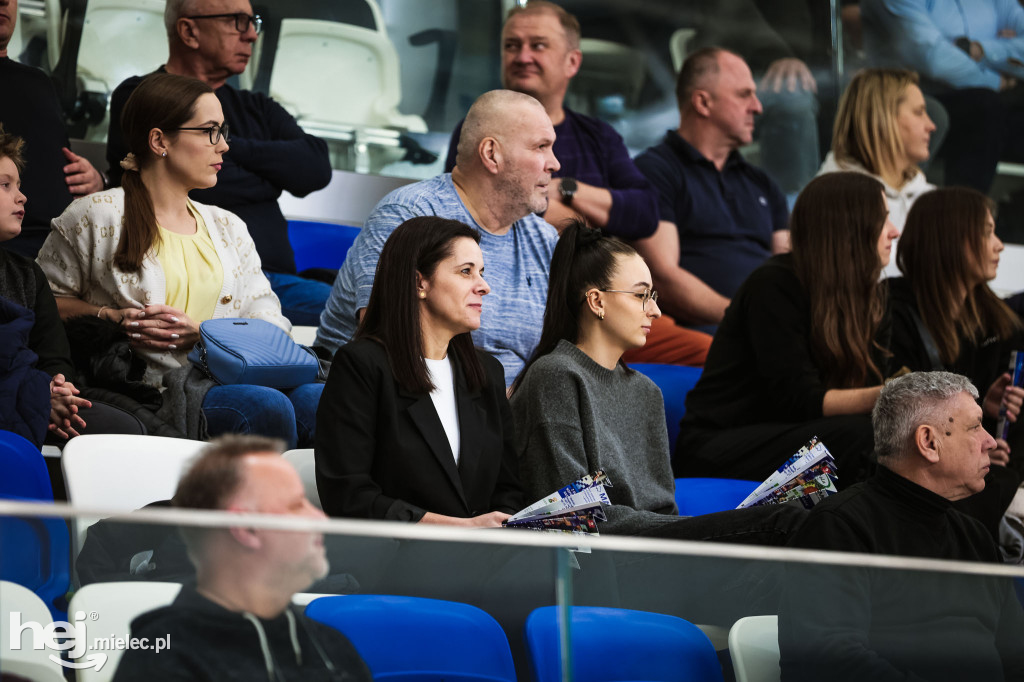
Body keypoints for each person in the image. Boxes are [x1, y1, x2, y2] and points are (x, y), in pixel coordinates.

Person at [37, 72, 322, 450]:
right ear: (159, 141)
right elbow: (39, 305)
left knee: (321, 402)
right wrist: (109, 317)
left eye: (224, 132)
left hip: (230, 378)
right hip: (150, 390)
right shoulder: (95, 215)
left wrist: (203, 335)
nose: (223, 147)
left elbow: (272, 322)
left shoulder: (228, 226)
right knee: (265, 407)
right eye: (209, 132)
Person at [443, 1, 710, 367]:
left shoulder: (599, 136)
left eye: (538, 45)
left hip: (609, 304)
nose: (522, 56)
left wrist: (568, 189)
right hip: (527, 305)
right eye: (511, 46)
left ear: (572, 62)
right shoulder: (480, 131)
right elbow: (467, 217)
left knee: (712, 354)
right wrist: (583, 219)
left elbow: (645, 212)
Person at [510, 220, 804, 542]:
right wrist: (708, 529)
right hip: (604, 563)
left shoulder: (646, 391)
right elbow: (573, 517)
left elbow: (664, 511)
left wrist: (698, 530)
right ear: (596, 302)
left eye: (653, 296)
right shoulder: (555, 377)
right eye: (641, 296)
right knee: (783, 522)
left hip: (661, 553)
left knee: (801, 518)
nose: (656, 311)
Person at [779, 371, 1024, 681]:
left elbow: (1016, 657)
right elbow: (831, 662)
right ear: (928, 442)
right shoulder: (840, 528)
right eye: (975, 427)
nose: (990, 441)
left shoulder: (974, 535)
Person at [105, 0, 333, 325]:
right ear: (189, 31)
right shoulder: (141, 95)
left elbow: (315, 169)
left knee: (376, 305)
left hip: (274, 281)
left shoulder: (258, 107)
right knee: (359, 314)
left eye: (252, 22)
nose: (252, 35)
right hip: (192, 276)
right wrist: (270, 179)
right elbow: (181, 186)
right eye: (238, 21)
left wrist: (228, 149)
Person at [315, 89, 559, 386]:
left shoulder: (545, 239)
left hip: (503, 418)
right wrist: (497, 407)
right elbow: (392, 344)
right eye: (541, 147)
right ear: (492, 154)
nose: (554, 163)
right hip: (389, 403)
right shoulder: (410, 213)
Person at [675, 172, 900, 483]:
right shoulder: (775, 285)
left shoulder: (875, 297)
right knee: (865, 437)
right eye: (884, 220)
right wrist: (896, 393)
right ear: (851, 229)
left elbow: (868, 390)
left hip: (806, 433)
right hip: (722, 445)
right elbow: (799, 401)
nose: (895, 232)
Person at [316, 216, 523, 526]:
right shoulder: (362, 366)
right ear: (419, 282)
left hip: (484, 560)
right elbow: (348, 495)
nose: (484, 287)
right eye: (466, 272)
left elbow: (509, 488)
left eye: (481, 273)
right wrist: (461, 530)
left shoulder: (486, 371)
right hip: (396, 561)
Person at [113, 435, 372, 682]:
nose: (319, 519)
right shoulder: (163, 657)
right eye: (296, 505)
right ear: (246, 529)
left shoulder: (330, 645)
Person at [633, 47, 790, 334]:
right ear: (703, 103)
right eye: (744, 95)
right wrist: (747, 318)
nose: (757, 106)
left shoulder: (762, 184)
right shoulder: (654, 172)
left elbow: (789, 268)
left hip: (771, 332)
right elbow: (661, 277)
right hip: (704, 336)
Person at [890, 187, 1024, 467]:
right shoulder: (892, 312)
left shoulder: (994, 317)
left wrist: (988, 411)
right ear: (952, 240)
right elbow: (902, 419)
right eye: (987, 233)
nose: (999, 244)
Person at [861, 0, 1024, 192]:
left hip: (998, 98)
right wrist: (999, 78)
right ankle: (963, 216)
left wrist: (979, 49)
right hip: (920, 97)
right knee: (985, 107)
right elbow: (935, 60)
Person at [0, 0, 104, 258]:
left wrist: (94, 179)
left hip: (65, 245)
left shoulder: (38, 83)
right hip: (13, 253)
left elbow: (58, 160)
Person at [818, 68, 936, 275]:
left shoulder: (931, 199)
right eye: (919, 112)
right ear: (883, 118)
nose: (931, 125)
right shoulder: (829, 201)